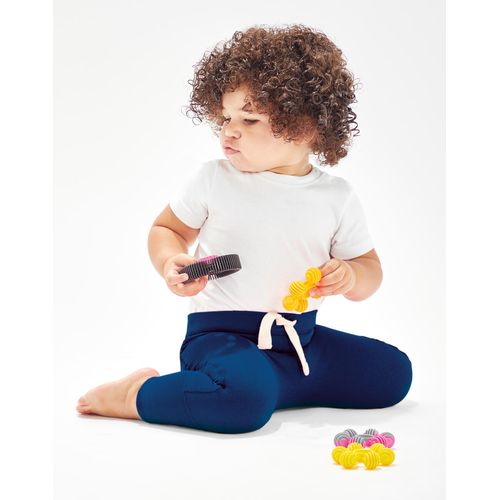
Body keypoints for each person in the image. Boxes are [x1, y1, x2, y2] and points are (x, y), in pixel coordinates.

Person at [76, 24, 412, 433]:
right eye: (226, 117)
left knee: (394, 374)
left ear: (306, 126)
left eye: (250, 119)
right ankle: (137, 395)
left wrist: (351, 276)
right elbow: (167, 229)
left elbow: (369, 270)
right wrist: (169, 260)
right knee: (243, 401)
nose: (229, 130)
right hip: (220, 339)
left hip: (299, 341)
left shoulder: (336, 196)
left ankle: (272, 387)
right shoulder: (214, 179)